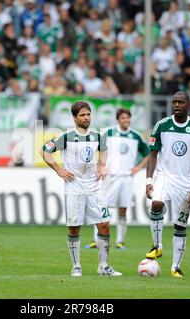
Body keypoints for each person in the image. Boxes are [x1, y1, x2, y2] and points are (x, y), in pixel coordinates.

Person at [41, 101, 122, 277]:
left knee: (104, 225)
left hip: (94, 187)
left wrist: (102, 164)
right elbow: (45, 151)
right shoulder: (66, 136)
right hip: (74, 188)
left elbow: (104, 150)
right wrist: (58, 169)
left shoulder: (96, 136)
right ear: (74, 117)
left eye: (88, 114)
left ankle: (103, 266)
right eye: (82, 115)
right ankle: (76, 266)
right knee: (74, 228)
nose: (86, 118)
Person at [144, 91, 190, 278]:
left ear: (188, 105)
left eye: (180, 102)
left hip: (186, 183)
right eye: (174, 102)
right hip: (165, 177)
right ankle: (157, 246)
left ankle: (175, 267)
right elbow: (153, 155)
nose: (177, 105)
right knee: (156, 204)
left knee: (180, 225)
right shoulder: (161, 126)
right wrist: (149, 180)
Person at [85, 108, 149, 250]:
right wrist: (100, 165)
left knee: (123, 210)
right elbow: (97, 148)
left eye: (128, 118)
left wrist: (138, 168)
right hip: (110, 176)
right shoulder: (109, 132)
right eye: (123, 118)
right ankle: (96, 240)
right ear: (118, 119)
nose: (126, 120)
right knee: (101, 207)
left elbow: (147, 153)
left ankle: (120, 241)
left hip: (127, 178)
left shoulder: (135, 136)